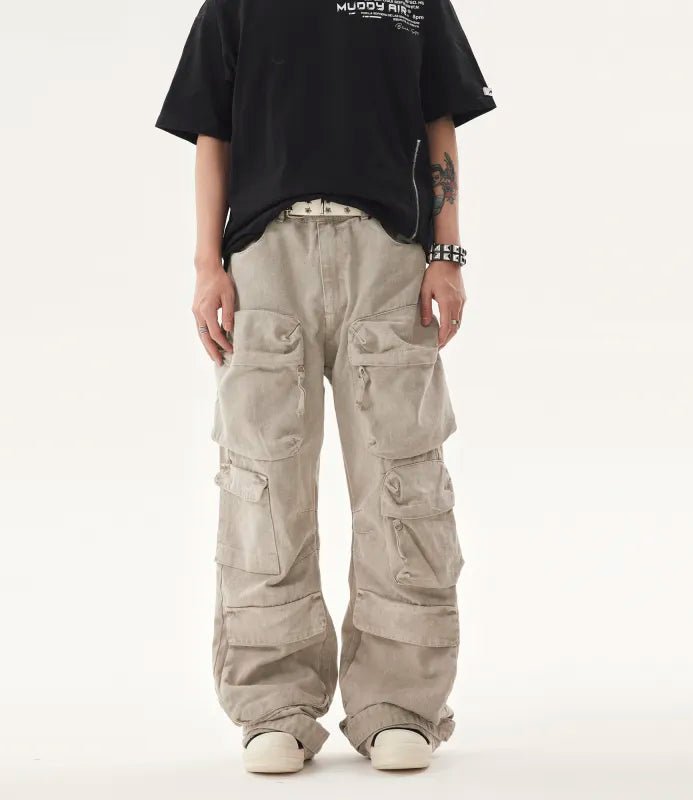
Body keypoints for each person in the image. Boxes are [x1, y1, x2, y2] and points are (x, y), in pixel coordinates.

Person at [156, 0, 496, 774]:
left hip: (390, 257)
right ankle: (273, 703)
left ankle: (400, 702)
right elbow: (213, 132)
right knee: (263, 486)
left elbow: (439, 118)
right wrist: (208, 266)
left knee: (403, 478)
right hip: (265, 261)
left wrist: (447, 254)